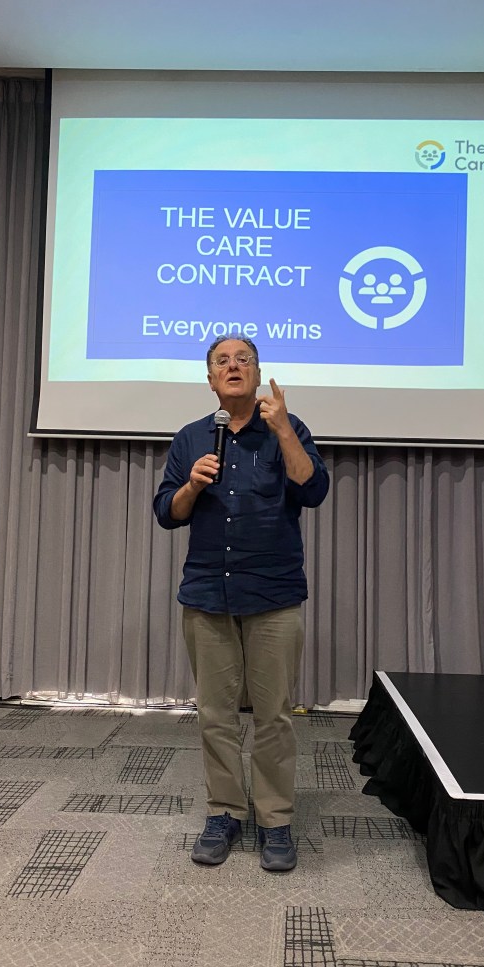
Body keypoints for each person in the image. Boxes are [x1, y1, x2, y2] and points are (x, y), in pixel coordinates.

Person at [153, 336, 329, 871]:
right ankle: (225, 813)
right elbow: (166, 512)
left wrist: (283, 429)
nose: (233, 367)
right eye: (222, 362)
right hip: (208, 593)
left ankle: (275, 820)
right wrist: (191, 486)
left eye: (243, 360)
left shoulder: (288, 429)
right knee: (216, 715)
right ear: (210, 379)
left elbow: (313, 490)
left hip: (273, 593)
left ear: (257, 373)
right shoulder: (191, 438)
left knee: (274, 716)